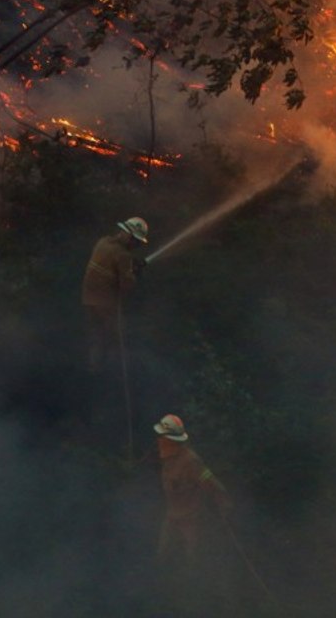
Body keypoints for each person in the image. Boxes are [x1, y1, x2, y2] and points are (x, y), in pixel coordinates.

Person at [153, 414, 234, 615]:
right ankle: (163, 599)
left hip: (192, 519)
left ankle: (197, 602)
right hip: (173, 516)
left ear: (171, 440)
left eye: (162, 436)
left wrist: (224, 502)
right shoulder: (167, 460)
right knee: (163, 555)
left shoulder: (191, 461)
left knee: (193, 560)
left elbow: (209, 481)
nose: (158, 440)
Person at [81, 217, 148, 375]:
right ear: (128, 236)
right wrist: (134, 274)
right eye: (135, 241)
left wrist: (130, 268)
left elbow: (109, 268)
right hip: (106, 304)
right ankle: (115, 376)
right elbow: (127, 286)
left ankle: (93, 371)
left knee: (96, 337)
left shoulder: (102, 242)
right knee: (116, 338)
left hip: (88, 300)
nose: (136, 245)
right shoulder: (123, 255)